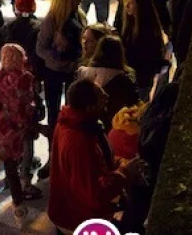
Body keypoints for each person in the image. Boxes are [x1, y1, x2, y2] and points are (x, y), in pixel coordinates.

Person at [47, 79, 147, 233]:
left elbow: (102, 161)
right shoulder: (78, 141)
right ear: (89, 107)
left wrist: (123, 164)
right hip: (76, 218)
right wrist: (125, 172)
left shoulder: (80, 123)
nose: (107, 96)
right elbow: (94, 194)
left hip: (75, 211)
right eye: (101, 96)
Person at [36, 0, 86, 178]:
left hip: (73, 71)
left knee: (74, 113)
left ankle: (71, 155)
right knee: (54, 115)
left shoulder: (79, 17)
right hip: (54, 73)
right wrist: (56, 55)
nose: (81, 0)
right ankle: (53, 156)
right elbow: (41, 48)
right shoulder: (51, 20)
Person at [0, 44, 38, 218]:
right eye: (7, 57)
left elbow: (22, 105)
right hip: (3, 131)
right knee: (6, 169)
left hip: (5, 131)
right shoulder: (20, 79)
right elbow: (25, 106)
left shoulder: (17, 79)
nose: (9, 61)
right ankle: (11, 203)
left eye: (13, 58)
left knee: (2, 168)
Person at [76, 35, 139, 129]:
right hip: (116, 124)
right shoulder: (124, 79)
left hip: (88, 123)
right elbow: (133, 102)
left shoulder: (83, 74)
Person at [119, 0, 166, 100]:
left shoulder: (148, 31)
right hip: (131, 78)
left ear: (140, 6)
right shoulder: (129, 24)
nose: (127, 6)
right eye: (126, 1)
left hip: (141, 80)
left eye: (131, 2)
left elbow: (145, 59)